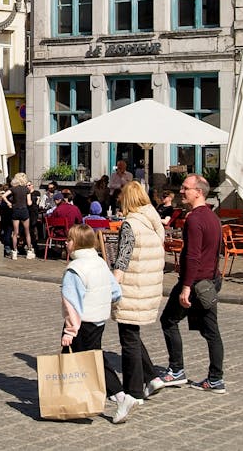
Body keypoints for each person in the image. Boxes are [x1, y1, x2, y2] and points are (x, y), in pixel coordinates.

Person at [155, 174, 225, 393]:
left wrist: (186, 287)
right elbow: (217, 252)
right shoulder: (213, 217)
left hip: (195, 283)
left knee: (168, 321)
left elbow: (193, 255)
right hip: (209, 281)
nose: (181, 191)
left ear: (199, 192)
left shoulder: (195, 219)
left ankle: (176, 370)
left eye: (186, 188)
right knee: (211, 331)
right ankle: (216, 379)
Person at [110, 181, 165, 422]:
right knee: (133, 332)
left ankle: (133, 391)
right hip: (148, 285)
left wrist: (113, 284)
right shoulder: (153, 222)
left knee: (128, 338)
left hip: (133, 286)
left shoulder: (131, 224)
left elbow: (123, 257)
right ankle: (152, 376)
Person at [59, 224, 126, 423]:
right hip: (98, 319)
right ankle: (78, 399)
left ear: (77, 244)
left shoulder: (75, 269)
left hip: (81, 322)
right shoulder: (100, 262)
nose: (66, 242)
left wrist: (70, 331)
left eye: (69, 240)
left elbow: (72, 303)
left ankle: (119, 395)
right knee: (91, 358)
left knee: (84, 362)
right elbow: (116, 291)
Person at [1, 172, 35, 259]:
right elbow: (29, 203)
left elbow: (3, 196)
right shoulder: (26, 189)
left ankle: (14, 251)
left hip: (15, 211)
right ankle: (29, 251)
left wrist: (9, 203)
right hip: (24, 211)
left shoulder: (13, 189)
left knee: (15, 233)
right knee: (27, 232)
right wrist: (31, 194)